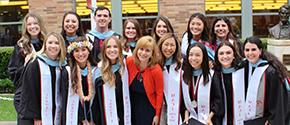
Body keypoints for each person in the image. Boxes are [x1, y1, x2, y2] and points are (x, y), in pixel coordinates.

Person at [17, 32, 67, 125]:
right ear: (45, 45)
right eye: (50, 42)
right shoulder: (35, 64)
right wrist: (36, 116)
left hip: (58, 113)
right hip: (38, 116)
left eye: (57, 43)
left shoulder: (64, 65)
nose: (53, 46)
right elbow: (29, 92)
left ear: (61, 46)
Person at [7, 13, 47, 124]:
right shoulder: (20, 47)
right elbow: (13, 73)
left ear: (40, 25)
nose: (32, 26)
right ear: (25, 27)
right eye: (29, 24)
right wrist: (25, 65)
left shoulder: (47, 44)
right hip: (26, 98)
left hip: (45, 95)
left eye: (35, 23)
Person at [243, 36, 288, 125]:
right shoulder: (243, 67)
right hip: (245, 119)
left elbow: (278, 99)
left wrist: (272, 120)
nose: (250, 53)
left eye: (253, 50)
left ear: (260, 51)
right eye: (247, 50)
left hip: (263, 120)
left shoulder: (270, 71)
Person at [182, 43, 224, 125]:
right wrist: (186, 115)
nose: (194, 58)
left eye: (198, 55)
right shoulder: (185, 76)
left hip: (209, 119)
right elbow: (184, 99)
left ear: (204, 57)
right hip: (191, 119)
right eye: (191, 55)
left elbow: (218, 99)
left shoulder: (212, 75)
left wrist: (209, 118)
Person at [93, 36, 131, 125]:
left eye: (115, 46)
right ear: (104, 50)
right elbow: (95, 100)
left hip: (124, 116)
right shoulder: (98, 71)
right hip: (104, 118)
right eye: (108, 47)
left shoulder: (126, 68)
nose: (112, 50)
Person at [126, 36, 164, 125]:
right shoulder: (129, 61)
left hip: (148, 107)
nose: (143, 53)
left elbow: (159, 93)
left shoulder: (156, 69)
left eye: (147, 50)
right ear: (136, 49)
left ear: (152, 53)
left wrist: (157, 115)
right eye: (141, 49)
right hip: (131, 106)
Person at [63, 37, 98, 125]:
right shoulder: (67, 72)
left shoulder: (96, 71)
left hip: (94, 118)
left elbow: (99, 98)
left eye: (83, 50)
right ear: (72, 54)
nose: (80, 54)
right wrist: (82, 118)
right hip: (75, 117)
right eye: (76, 51)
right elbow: (65, 98)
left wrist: (93, 118)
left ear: (89, 51)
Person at [213, 42, 244, 125]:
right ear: (217, 56)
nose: (225, 56)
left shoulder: (243, 72)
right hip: (220, 120)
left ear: (234, 55)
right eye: (221, 53)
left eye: (228, 53)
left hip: (241, 117)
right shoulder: (214, 75)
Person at [157, 33, 184, 125]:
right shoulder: (155, 65)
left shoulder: (181, 64)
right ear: (160, 45)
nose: (169, 48)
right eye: (166, 44)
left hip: (179, 107)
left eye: (172, 45)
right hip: (161, 108)